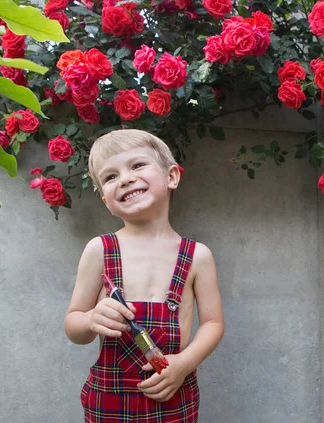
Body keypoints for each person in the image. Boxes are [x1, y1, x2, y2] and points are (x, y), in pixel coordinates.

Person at [64, 129, 225, 422]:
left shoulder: (197, 256)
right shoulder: (99, 250)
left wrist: (184, 364)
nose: (125, 178)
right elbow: (74, 325)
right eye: (110, 177)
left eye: (137, 165)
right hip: (108, 403)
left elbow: (213, 323)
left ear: (172, 177)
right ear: (106, 202)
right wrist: (90, 320)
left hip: (174, 399)